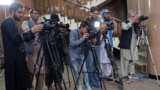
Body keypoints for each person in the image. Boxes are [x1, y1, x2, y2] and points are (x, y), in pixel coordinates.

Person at [1, 2, 43, 90]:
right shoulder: (7, 22)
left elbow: (21, 40)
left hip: (19, 60)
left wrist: (32, 33)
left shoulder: (14, 23)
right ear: (12, 11)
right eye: (19, 12)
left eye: (22, 12)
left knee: (22, 84)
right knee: (15, 85)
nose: (21, 15)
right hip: (13, 62)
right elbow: (16, 38)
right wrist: (31, 31)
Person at [21, 9, 45, 90]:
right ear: (30, 14)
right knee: (31, 72)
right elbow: (27, 32)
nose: (37, 15)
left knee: (41, 72)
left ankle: (39, 88)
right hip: (31, 51)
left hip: (40, 51)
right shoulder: (26, 23)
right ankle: (30, 88)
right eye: (35, 13)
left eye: (38, 13)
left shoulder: (40, 24)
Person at [69, 21, 92, 90]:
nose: (86, 31)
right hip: (73, 55)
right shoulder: (73, 32)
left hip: (81, 54)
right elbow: (72, 44)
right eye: (85, 29)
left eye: (87, 29)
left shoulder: (86, 33)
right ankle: (79, 85)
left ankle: (87, 86)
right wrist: (82, 39)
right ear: (81, 27)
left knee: (85, 71)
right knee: (76, 71)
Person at [118, 10, 139, 82]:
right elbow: (125, 28)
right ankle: (124, 75)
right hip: (126, 44)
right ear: (129, 16)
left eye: (135, 16)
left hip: (134, 45)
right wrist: (132, 21)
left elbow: (138, 32)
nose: (134, 18)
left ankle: (131, 73)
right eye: (133, 16)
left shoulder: (135, 23)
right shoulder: (124, 22)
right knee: (125, 60)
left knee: (133, 59)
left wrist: (140, 23)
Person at [84, 6, 101, 88]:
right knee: (89, 64)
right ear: (90, 12)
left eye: (97, 13)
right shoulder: (85, 21)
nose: (96, 15)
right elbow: (85, 32)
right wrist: (93, 35)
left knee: (96, 63)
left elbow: (98, 32)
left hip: (97, 44)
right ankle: (90, 81)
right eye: (95, 13)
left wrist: (101, 29)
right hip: (89, 44)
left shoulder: (98, 20)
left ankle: (96, 80)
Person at [99, 9, 117, 78]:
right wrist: (104, 28)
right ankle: (99, 75)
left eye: (109, 14)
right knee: (100, 59)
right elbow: (99, 32)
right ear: (103, 15)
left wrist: (115, 26)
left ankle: (108, 74)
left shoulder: (111, 22)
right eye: (106, 14)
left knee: (109, 59)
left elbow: (114, 33)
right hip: (101, 43)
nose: (108, 15)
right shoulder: (99, 22)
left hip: (109, 42)